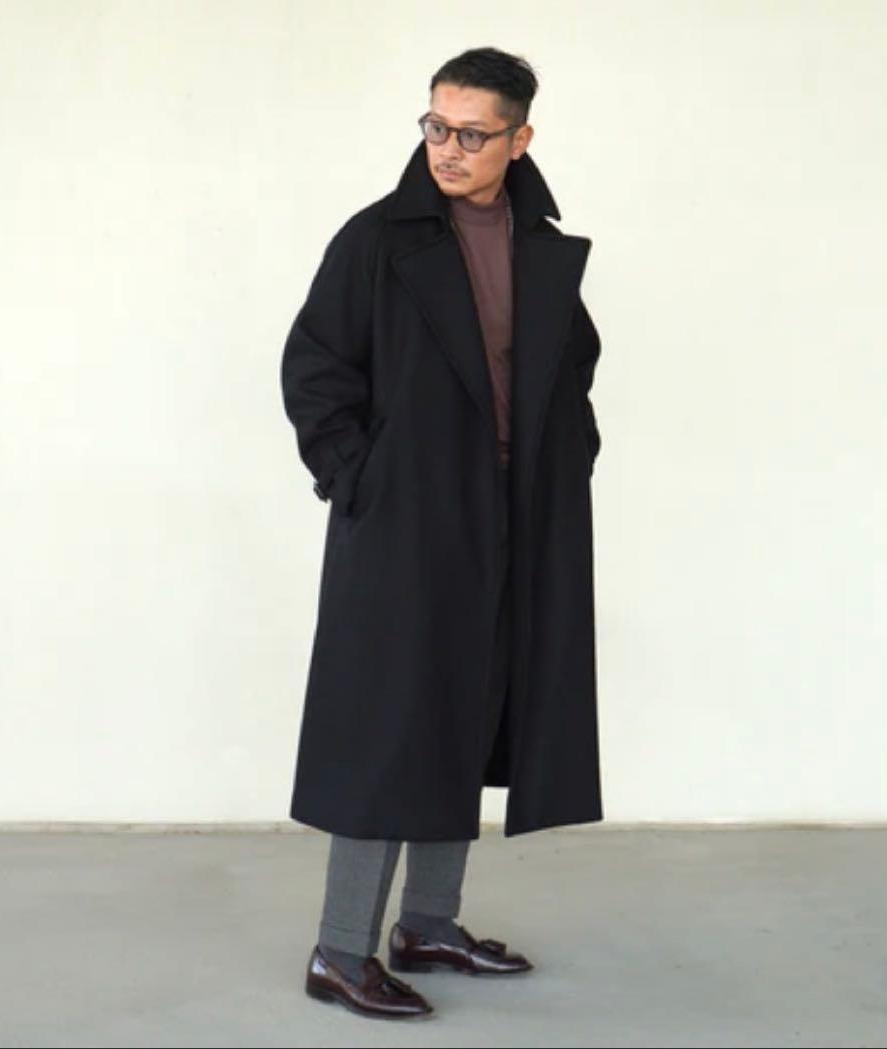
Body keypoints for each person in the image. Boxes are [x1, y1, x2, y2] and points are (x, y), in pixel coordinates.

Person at [280, 46, 604, 1020]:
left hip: (514, 518)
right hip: (407, 519)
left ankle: (427, 923)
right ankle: (340, 950)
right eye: (435, 126)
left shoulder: (538, 243)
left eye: (471, 133)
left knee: (470, 709)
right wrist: (360, 478)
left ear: (520, 138)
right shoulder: (377, 241)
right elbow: (315, 366)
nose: (448, 148)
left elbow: (571, 363)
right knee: (388, 727)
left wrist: (570, 455)